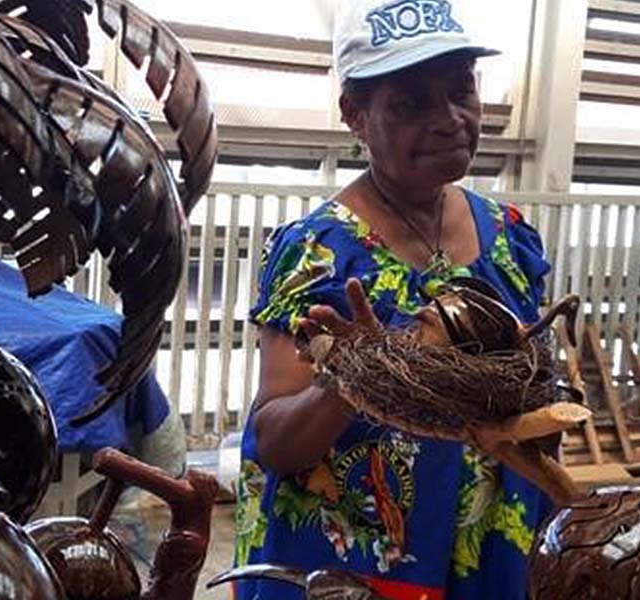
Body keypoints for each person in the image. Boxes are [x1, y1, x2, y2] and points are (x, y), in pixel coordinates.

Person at [233, 2, 552, 599]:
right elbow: (274, 443)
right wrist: (351, 380)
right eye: (411, 104)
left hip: (488, 559)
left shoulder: (509, 237)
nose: (449, 120)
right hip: (358, 572)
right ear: (355, 115)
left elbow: (533, 392)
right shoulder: (320, 254)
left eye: (461, 91)